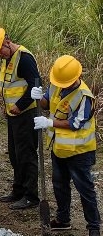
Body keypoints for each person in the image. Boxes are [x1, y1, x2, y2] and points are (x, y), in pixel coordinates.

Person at [32, 55, 101, 235]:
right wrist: (38, 97)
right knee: (59, 185)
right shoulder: (57, 83)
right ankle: (63, 220)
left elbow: (75, 123)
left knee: (85, 189)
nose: (62, 86)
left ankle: (94, 227)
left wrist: (49, 123)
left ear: (76, 77)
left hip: (79, 151)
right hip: (59, 147)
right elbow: (46, 103)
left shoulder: (84, 96)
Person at [0, 26, 40, 210]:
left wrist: (20, 105)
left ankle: (31, 196)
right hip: (13, 115)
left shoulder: (24, 59)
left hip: (26, 114)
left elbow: (36, 86)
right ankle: (18, 190)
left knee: (26, 155)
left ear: (7, 41)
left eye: (0, 51)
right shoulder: (8, 59)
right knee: (15, 154)